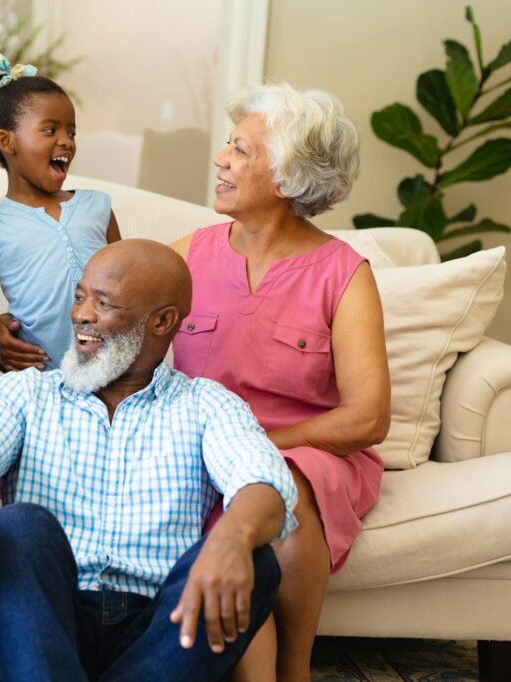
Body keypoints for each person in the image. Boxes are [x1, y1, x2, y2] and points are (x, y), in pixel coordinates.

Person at [0, 239, 299, 682]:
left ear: (162, 321)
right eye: (80, 296)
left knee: (257, 560)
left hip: (160, 628)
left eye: (102, 304)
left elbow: (264, 482)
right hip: (41, 621)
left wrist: (235, 535)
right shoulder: (26, 393)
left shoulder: (207, 404)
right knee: (19, 526)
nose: (81, 314)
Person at [170, 83, 390, 682]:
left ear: (289, 177)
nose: (221, 159)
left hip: (309, 450)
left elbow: (368, 417)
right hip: (208, 445)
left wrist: (267, 447)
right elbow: (108, 311)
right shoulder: (189, 253)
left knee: (279, 485)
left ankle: (297, 670)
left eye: (241, 150)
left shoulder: (344, 274)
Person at [0, 51, 121, 373]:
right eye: (50, 131)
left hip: (111, 378)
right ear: (7, 141)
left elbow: (128, 288)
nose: (67, 142)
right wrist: (10, 364)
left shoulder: (98, 206)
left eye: (71, 132)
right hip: (44, 387)